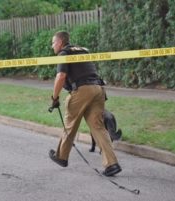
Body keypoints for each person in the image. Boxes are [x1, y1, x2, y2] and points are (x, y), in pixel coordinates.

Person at [48, 31, 121, 176]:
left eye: (53, 43)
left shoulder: (63, 54)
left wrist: (54, 97)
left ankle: (61, 157)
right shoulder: (83, 50)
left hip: (82, 90)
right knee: (98, 127)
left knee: (70, 124)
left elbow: (61, 76)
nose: (52, 46)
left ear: (61, 42)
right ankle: (112, 164)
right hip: (98, 89)